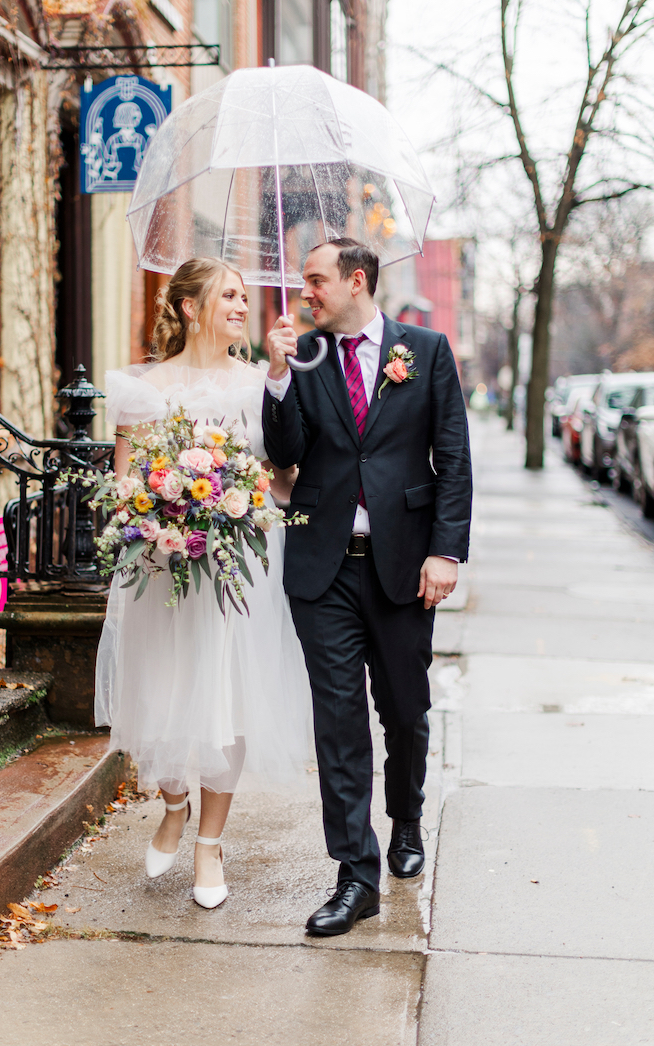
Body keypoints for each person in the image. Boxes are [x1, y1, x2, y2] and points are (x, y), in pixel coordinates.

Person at [263, 237, 472, 937]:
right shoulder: (307, 353)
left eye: (316, 280)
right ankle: (356, 874)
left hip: (405, 565)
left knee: (405, 711)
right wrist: (278, 375)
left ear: (357, 281)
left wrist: (445, 552)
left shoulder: (427, 349)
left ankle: (407, 818)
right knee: (339, 722)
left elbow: (454, 456)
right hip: (322, 567)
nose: (306, 291)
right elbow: (286, 452)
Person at [95, 257, 311, 910]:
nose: (243, 306)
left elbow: (282, 478)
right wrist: (154, 510)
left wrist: (246, 494)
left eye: (246, 297)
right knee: (161, 692)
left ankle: (209, 845)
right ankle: (173, 804)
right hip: (163, 565)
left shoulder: (259, 387)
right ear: (190, 308)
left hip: (237, 565)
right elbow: (123, 484)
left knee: (229, 698)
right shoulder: (140, 389)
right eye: (230, 296)